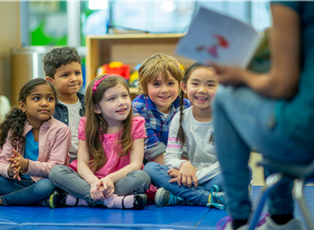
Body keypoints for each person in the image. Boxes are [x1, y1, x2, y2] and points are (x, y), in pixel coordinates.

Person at [211, 2, 314, 230]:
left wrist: (241, 75)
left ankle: (239, 219)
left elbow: (282, 85)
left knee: (223, 96)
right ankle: (281, 219)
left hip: (303, 134)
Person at [48, 74, 151, 210]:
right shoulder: (86, 125)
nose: (121, 102)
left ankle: (83, 200)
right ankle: (112, 201)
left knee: (142, 177)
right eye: (111, 99)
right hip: (90, 180)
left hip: (119, 180)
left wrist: (110, 179)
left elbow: (136, 164)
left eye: (124, 96)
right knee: (56, 172)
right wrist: (94, 182)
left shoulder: (136, 124)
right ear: (97, 108)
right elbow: (82, 164)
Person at [144, 63, 228, 209]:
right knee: (150, 168)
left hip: (213, 176)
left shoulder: (227, 119)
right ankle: (206, 197)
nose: (202, 90)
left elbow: (227, 162)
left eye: (210, 85)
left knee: (238, 174)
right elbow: (170, 157)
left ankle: (182, 196)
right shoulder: (180, 118)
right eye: (195, 83)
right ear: (184, 87)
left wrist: (197, 176)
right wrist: (184, 164)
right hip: (188, 175)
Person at [0, 78, 71, 206]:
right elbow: (1, 162)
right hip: (17, 181)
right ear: (23, 106)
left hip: (43, 182)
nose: (44, 103)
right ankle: (38, 199)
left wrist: (26, 165)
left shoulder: (61, 130)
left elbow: (56, 167)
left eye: (50, 99)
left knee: (46, 186)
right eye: (36, 98)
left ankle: (1, 201)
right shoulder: (15, 128)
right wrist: (11, 170)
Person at [133, 53, 191, 165]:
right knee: (151, 168)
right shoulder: (138, 109)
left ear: (180, 85)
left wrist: (185, 167)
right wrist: (178, 169)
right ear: (145, 87)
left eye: (170, 83)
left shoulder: (185, 106)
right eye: (156, 84)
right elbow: (151, 149)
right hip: (151, 161)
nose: (164, 90)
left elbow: (188, 142)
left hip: (180, 161)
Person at [43, 47, 85, 163]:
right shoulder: (46, 108)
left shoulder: (90, 104)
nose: (74, 79)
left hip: (86, 164)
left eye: (77, 73)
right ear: (51, 81)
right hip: (58, 164)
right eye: (65, 75)